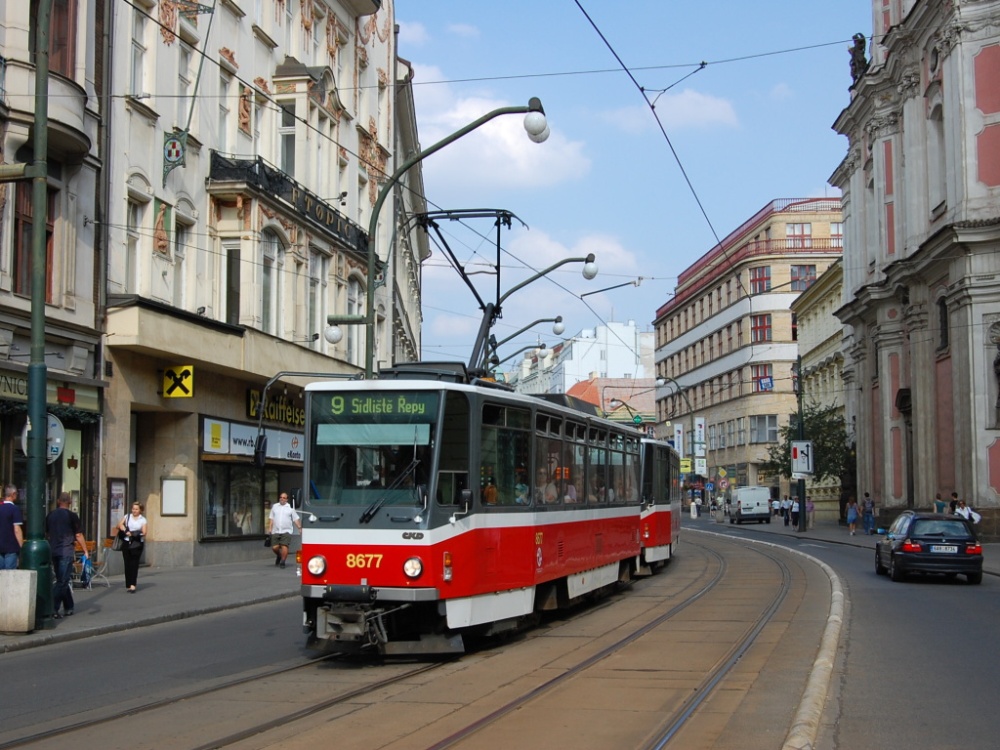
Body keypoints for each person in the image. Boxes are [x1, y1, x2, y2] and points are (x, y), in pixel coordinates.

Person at [46, 492, 87, 618]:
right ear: (69, 502)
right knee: (62, 581)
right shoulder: (72, 516)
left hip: (54, 550)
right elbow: (78, 535)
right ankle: (52, 608)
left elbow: (47, 533)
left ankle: (69, 606)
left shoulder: (50, 515)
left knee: (62, 579)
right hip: (66, 550)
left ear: (58, 501)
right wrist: (85, 550)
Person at [117, 502, 147, 593]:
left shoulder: (143, 520)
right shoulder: (127, 516)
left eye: (136, 509)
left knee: (134, 564)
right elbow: (119, 525)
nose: (134, 511)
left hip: (137, 543)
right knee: (127, 563)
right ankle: (129, 584)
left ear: (140, 510)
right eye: (133, 509)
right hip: (126, 542)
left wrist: (133, 533)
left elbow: (144, 532)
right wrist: (125, 529)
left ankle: (133, 585)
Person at [268, 492, 301, 569]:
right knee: (274, 547)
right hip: (276, 530)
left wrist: (299, 528)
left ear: (287, 499)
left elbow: (296, 519)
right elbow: (271, 518)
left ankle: (283, 561)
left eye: (284, 498)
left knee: (284, 546)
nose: (282, 499)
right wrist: (270, 528)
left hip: (286, 531)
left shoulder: (290, 508)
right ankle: (279, 556)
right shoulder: (275, 507)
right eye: (281, 497)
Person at [0, 484, 23, 570]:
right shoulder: (14, 509)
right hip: (11, 547)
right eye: (16, 493)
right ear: (13, 494)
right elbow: (17, 530)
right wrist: (21, 546)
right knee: (10, 574)